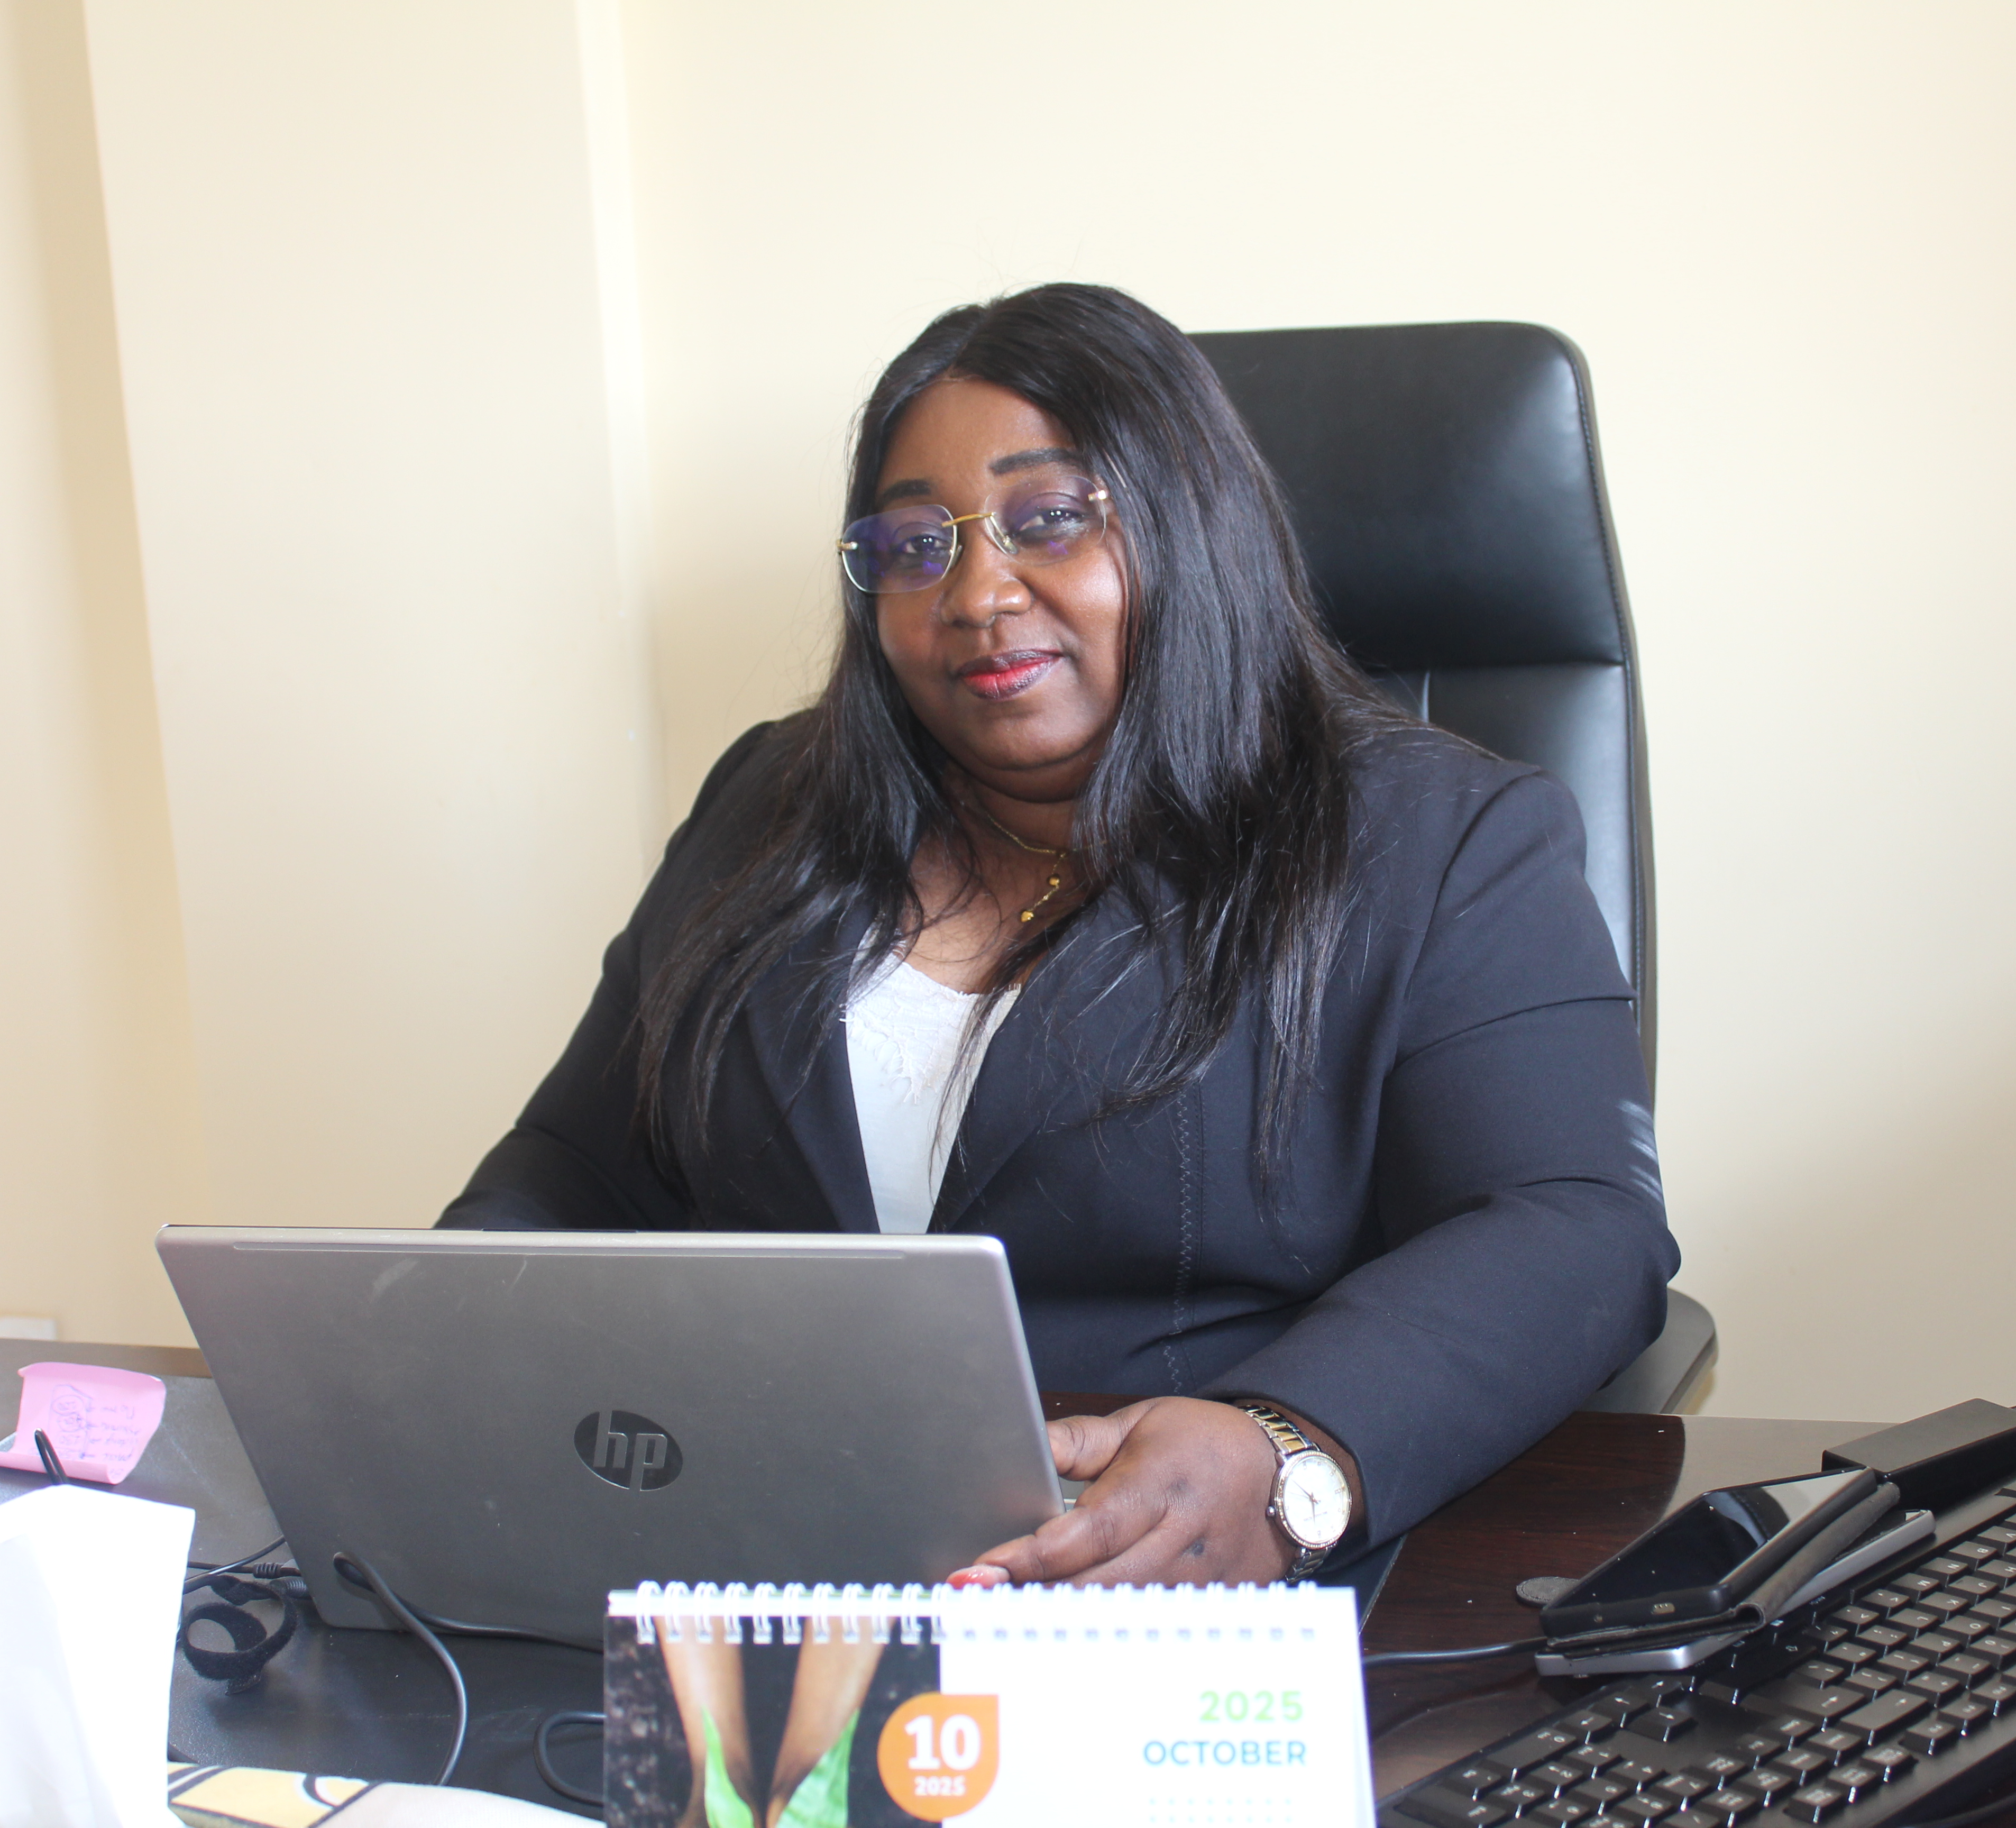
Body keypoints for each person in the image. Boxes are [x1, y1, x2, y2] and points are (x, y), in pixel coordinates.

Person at [438, 282, 1676, 1586]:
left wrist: (1288, 1449)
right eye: (916, 544)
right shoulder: (770, 805)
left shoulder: (1439, 838)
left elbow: (1572, 1223)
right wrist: (425, 1350)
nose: (977, 591)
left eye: (1051, 518)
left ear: (1189, 524)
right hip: (757, 1558)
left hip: (1163, 1584)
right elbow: (577, 1169)